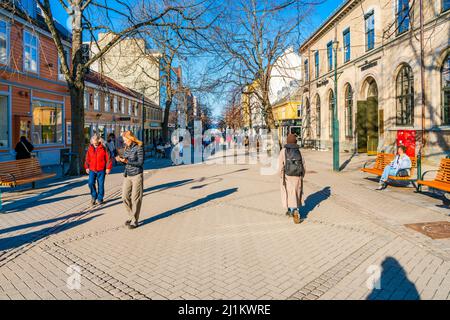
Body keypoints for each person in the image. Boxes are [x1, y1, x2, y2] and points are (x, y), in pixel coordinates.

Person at [116, 131, 144, 229]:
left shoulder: (139, 147)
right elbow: (127, 161)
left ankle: (135, 221)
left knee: (136, 198)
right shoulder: (127, 148)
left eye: (125, 140)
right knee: (124, 197)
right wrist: (121, 160)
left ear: (130, 139)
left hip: (137, 175)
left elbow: (140, 162)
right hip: (128, 175)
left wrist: (127, 161)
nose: (124, 142)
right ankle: (131, 216)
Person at [278, 133, 305, 224]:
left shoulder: (283, 151)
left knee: (288, 193)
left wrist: (281, 175)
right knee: (296, 193)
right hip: (297, 175)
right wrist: (302, 175)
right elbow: (303, 164)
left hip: (287, 176)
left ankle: (293, 210)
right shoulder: (298, 151)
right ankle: (293, 209)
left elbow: (280, 165)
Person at [84, 134, 112, 206]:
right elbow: (87, 158)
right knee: (90, 183)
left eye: (95, 142)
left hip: (101, 169)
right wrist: (86, 167)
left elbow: (108, 158)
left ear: (98, 141)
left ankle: (100, 198)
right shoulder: (90, 148)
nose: (94, 144)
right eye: (93, 143)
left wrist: (108, 168)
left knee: (101, 184)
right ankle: (94, 196)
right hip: (92, 169)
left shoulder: (103, 147)